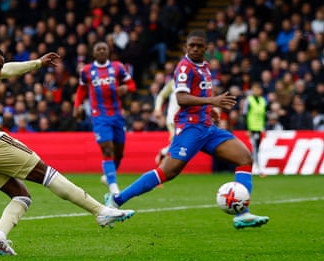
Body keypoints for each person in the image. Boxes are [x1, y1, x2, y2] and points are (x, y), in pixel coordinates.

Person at [0, 42, 134, 256]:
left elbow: (8, 70)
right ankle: (100, 211)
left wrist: (37, 63)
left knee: (21, 196)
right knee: (48, 174)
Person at [104, 30, 269, 229]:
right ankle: (115, 200)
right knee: (167, 172)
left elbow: (199, 93)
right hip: (190, 127)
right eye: (192, 45)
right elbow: (181, 98)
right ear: (186, 47)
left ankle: (242, 214)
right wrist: (212, 101)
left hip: (207, 127)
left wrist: (210, 110)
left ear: (206, 48)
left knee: (244, 158)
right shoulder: (184, 67)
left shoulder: (205, 67)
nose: (195, 49)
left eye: (199, 46)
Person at [73, 42, 136, 195]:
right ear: (93, 53)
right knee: (107, 149)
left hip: (117, 115)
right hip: (99, 116)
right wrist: (77, 106)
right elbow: (81, 89)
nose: (101, 51)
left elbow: (132, 84)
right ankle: (114, 188)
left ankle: (108, 176)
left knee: (119, 152)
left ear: (108, 52)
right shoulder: (87, 70)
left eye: (104, 49)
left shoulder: (118, 67)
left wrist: (126, 88)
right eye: (98, 49)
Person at [242, 83, 267, 177]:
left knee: (257, 148)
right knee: (254, 148)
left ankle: (252, 167)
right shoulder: (249, 100)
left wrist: (264, 128)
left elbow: (264, 115)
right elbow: (245, 114)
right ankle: (258, 169)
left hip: (259, 128)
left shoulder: (263, 100)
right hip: (251, 128)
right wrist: (247, 129)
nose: (256, 91)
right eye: (255, 89)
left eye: (258, 89)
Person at [152, 78, 179, 165]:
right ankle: (166, 164)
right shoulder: (174, 82)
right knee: (177, 142)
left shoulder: (196, 82)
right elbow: (161, 95)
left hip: (188, 119)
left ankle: (164, 153)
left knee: (178, 143)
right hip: (173, 119)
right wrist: (157, 109)